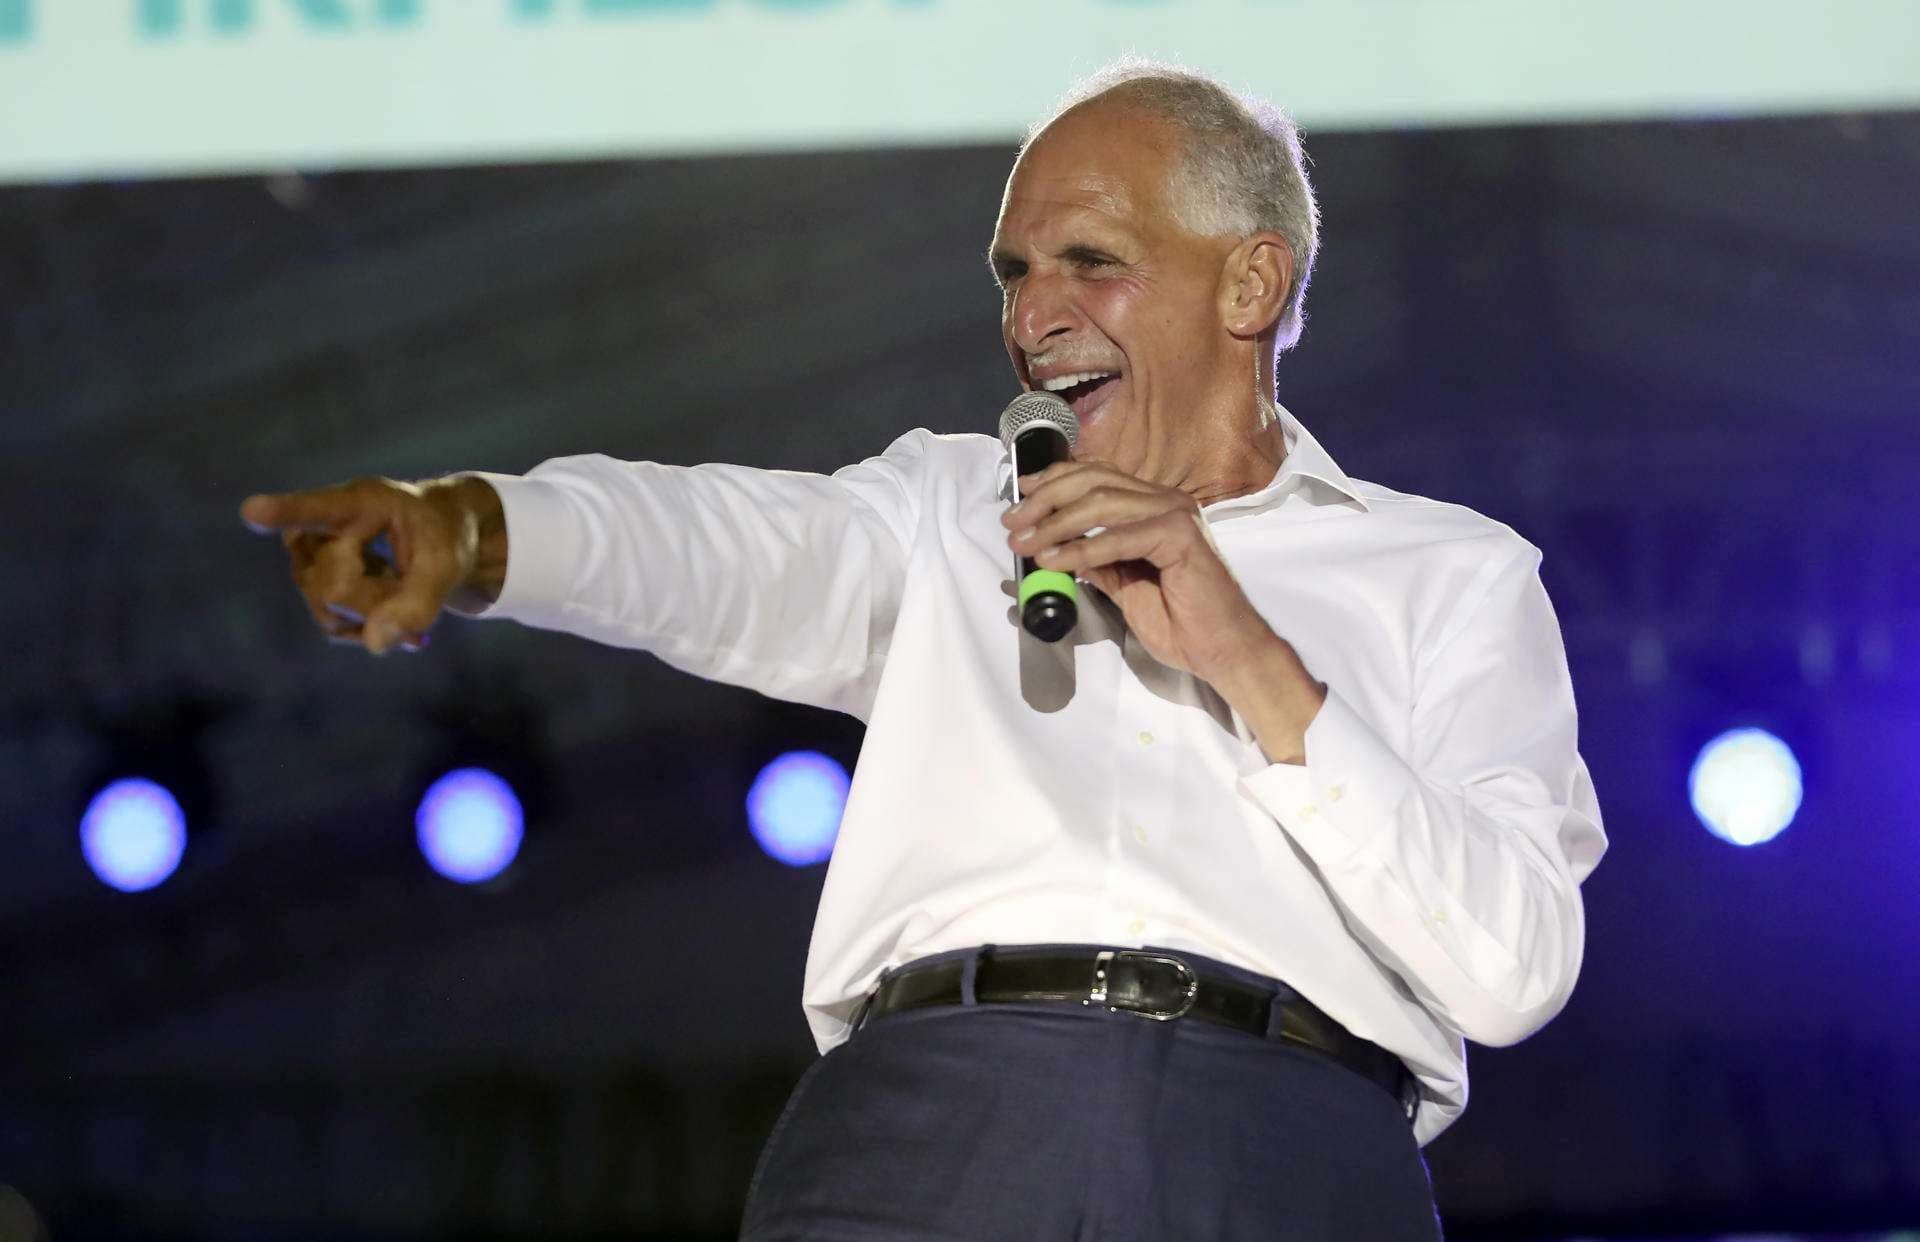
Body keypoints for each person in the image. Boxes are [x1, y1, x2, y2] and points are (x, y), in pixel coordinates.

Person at [242, 62, 1607, 1242]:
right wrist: (481, 529)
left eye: (1089, 261)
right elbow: (719, 542)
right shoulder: (948, 508)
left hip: (1292, 1146)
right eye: (1016, 274)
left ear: (1251, 277)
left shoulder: (1451, 575)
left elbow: (1515, 965)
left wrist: (1253, 658)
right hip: (936, 1127)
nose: (1033, 316)